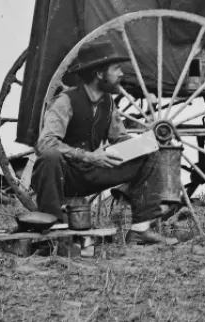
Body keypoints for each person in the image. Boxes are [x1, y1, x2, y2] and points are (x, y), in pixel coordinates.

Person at [29, 40, 179, 246]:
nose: (121, 74)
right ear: (99, 73)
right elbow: (45, 143)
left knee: (147, 150)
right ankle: (52, 232)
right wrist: (88, 156)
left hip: (92, 172)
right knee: (50, 156)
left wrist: (147, 140)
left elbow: (119, 138)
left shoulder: (108, 103)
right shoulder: (65, 101)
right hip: (65, 175)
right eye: (116, 68)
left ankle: (140, 230)